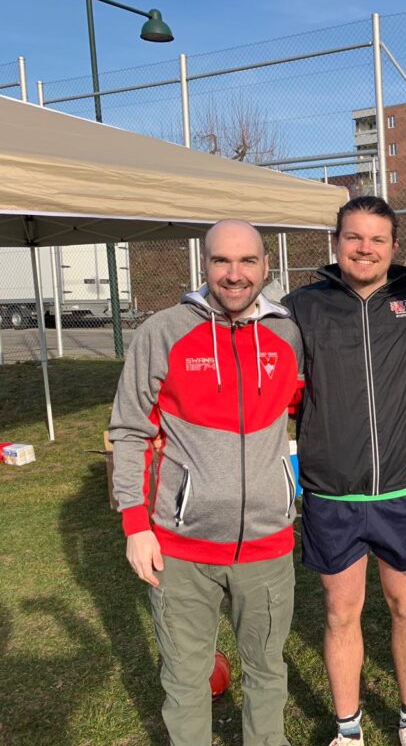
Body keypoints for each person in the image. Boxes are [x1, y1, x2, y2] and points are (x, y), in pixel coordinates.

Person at [109, 219, 304, 746]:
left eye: (247, 261)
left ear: (266, 266)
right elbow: (129, 429)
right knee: (185, 680)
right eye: (222, 261)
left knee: (267, 671)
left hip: (266, 546)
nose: (234, 274)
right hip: (181, 549)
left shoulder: (288, 334)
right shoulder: (164, 332)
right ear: (205, 264)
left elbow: (305, 404)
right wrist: (136, 525)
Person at [283, 196, 406, 746]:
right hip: (332, 493)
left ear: (395, 246)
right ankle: (348, 730)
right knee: (339, 611)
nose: (365, 248)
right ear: (336, 243)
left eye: (377, 239)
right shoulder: (300, 308)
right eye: (354, 237)